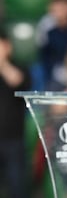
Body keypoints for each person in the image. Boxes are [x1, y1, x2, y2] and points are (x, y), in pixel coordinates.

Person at [0, 29, 31, 198]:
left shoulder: (20, 67)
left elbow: (17, 80)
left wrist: (2, 63)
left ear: (8, 47)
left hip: (13, 139)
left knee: (16, 187)